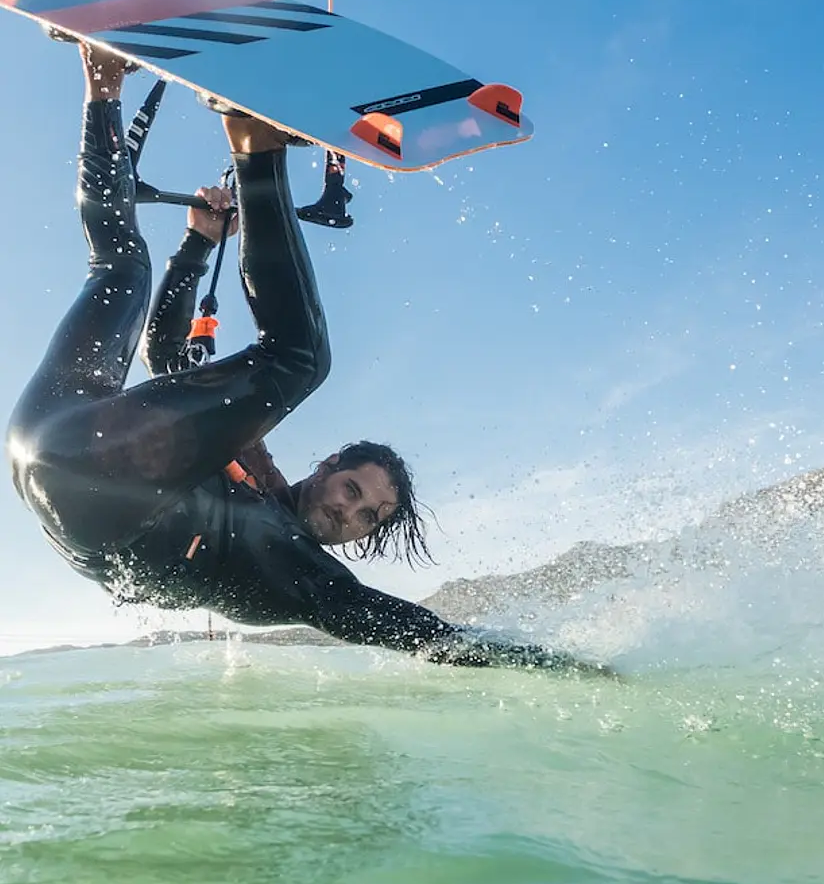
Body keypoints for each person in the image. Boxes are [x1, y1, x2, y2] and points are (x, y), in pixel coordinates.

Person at [6, 44, 592, 671]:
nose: (348, 512)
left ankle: (237, 137)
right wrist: (197, 245)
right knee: (123, 270)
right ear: (327, 466)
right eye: (352, 489)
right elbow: (165, 355)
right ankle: (105, 85)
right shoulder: (246, 468)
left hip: (85, 495)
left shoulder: (301, 571)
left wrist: (553, 663)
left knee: (287, 355)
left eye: (368, 517)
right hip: (52, 430)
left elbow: (409, 626)